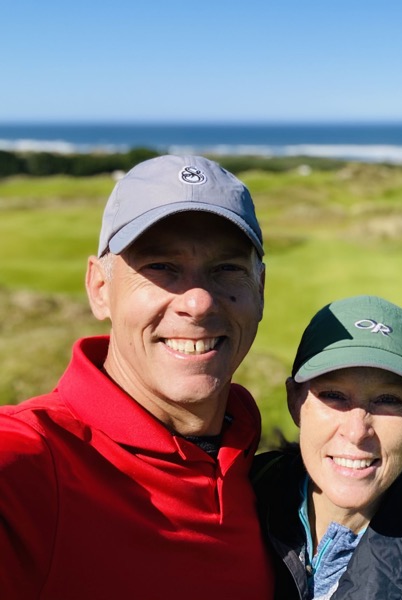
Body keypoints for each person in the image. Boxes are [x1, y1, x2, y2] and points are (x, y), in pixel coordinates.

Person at [0, 155, 274, 599]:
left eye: (226, 269)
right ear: (100, 289)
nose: (199, 302)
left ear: (260, 290)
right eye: (161, 267)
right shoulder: (33, 463)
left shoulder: (266, 478)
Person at [251, 295, 402, 599]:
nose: (357, 431)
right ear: (295, 401)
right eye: (334, 395)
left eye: (388, 400)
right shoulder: (240, 495)